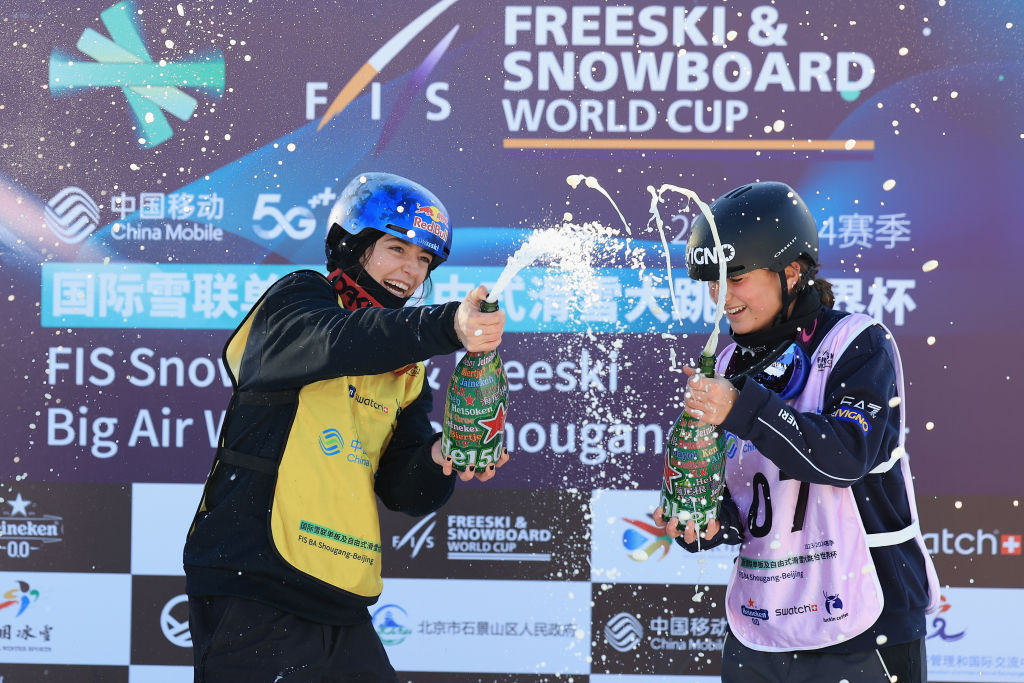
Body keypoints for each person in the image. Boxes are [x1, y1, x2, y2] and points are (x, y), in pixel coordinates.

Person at [183, 172, 509, 682]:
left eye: (424, 259)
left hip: (339, 598)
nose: (410, 270)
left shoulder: (405, 365)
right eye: (397, 248)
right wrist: (447, 325)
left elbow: (404, 490)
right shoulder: (300, 300)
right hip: (255, 582)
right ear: (353, 245)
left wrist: (442, 456)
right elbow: (333, 340)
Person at [655, 181, 940, 683]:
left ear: (791, 271)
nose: (722, 297)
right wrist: (706, 518)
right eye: (714, 282)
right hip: (761, 628)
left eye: (737, 277)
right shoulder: (726, 362)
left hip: (863, 620)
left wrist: (744, 407)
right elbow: (750, 497)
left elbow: (846, 457)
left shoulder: (857, 342)